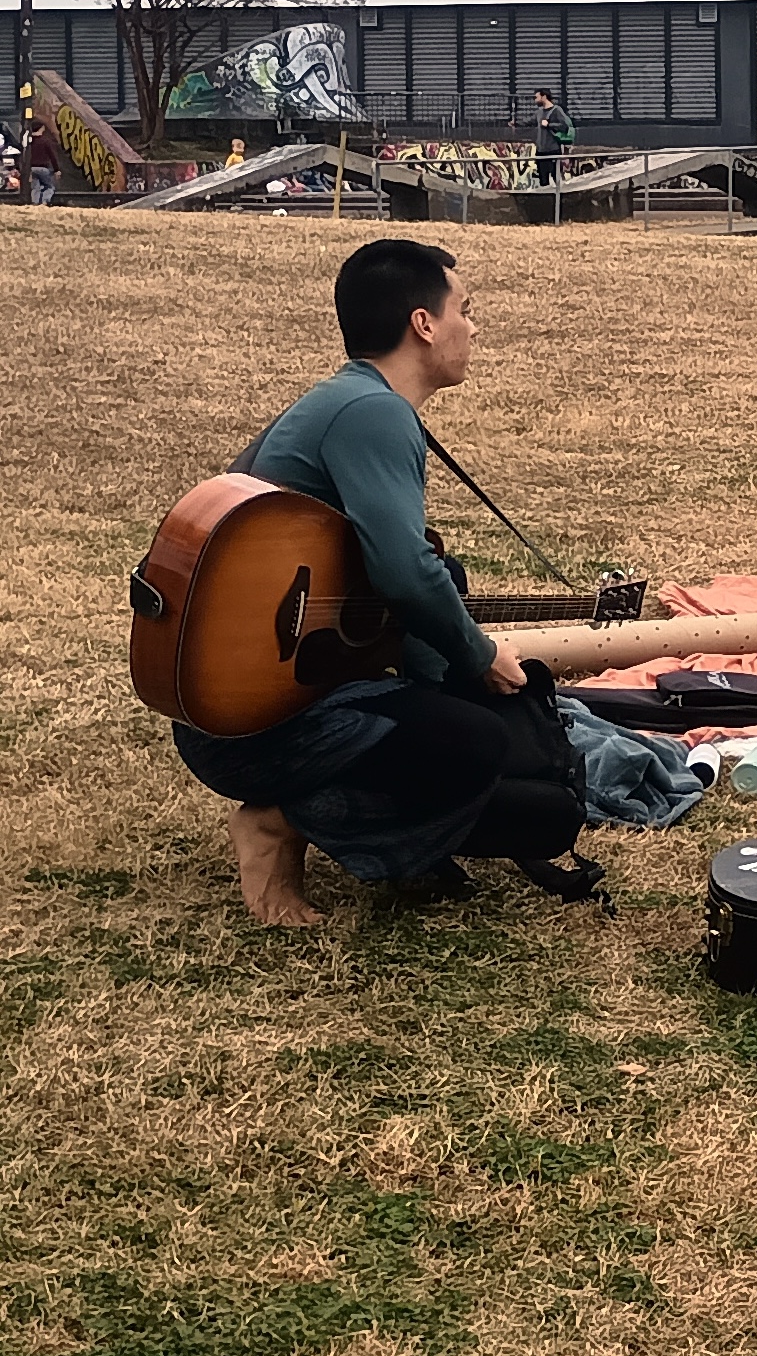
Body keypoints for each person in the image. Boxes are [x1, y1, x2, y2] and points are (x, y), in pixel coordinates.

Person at [169, 240, 600, 926]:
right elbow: (404, 573)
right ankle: (280, 820)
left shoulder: (341, 401)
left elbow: (399, 582)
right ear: (423, 323)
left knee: (505, 749)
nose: (473, 327)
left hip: (228, 710)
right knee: (483, 753)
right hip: (256, 729)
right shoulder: (374, 412)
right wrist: (481, 655)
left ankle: (402, 847)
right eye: (465, 309)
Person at [529, 88, 571, 182]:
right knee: (543, 179)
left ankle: (558, 192)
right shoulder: (539, 112)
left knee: (556, 178)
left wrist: (549, 125)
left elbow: (565, 126)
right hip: (540, 151)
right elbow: (529, 121)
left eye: (537, 97)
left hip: (553, 149)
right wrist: (515, 123)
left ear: (544, 97)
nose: (535, 100)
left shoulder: (557, 110)